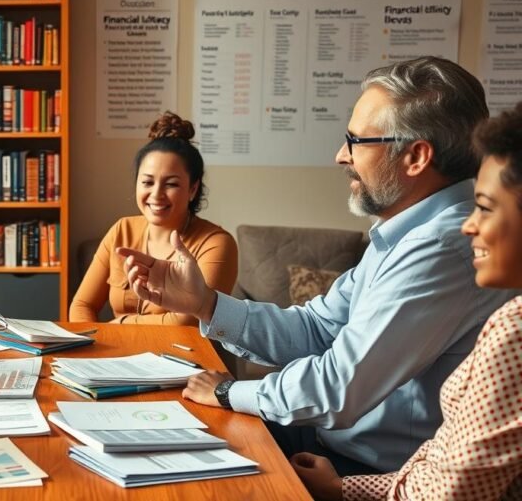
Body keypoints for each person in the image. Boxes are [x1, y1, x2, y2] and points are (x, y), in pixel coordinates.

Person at [118, 56, 516, 475]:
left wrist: (229, 392)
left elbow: (337, 389)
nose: (341, 155)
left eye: (356, 141)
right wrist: (207, 305)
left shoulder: (441, 246)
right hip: (327, 442)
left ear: (415, 157)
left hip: (365, 471)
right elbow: (316, 329)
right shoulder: (402, 233)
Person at [291, 103, 522, 500]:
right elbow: (442, 461)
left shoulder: (513, 329)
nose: (470, 225)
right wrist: (342, 487)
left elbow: (450, 492)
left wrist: (342, 490)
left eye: (484, 208)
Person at [70, 112, 237, 324]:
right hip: (120, 354)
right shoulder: (122, 230)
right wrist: (91, 347)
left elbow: (187, 321)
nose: (156, 195)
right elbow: (82, 305)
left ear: (193, 189)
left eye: (171, 184)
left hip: (188, 356)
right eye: (147, 182)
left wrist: (118, 327)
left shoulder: (216, 243)